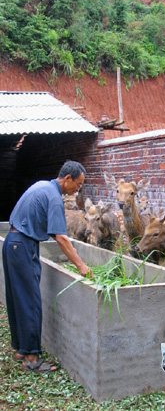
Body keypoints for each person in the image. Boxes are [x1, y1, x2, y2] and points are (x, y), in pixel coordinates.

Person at [2, 160, 92, 373]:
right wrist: (81, 265)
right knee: (31, 302)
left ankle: (21, 349)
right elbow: (60, 236)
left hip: (12, 243)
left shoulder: (42, 185)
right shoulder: (53, 198)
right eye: (78, 185)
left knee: (18, 299)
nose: (78, 190)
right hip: (22, 246)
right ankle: (31, 358)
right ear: (67, 178)